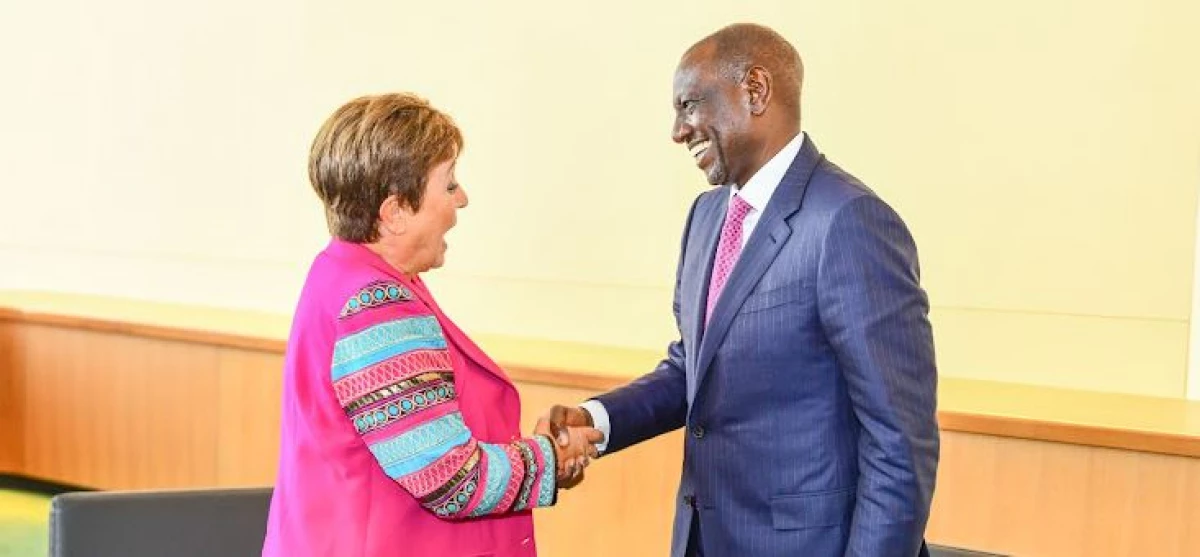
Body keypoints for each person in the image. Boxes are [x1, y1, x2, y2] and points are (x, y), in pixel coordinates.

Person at [545, 24, 939, 557]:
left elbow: (899, 445)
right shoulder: (706, 217)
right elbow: (694, 371)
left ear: (754, 91)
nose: (678, 131)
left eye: (689, 105)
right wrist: (597, 418)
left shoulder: (849, 222)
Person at [262, 93, 601, 557]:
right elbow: (452, 480)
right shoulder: (373, 305)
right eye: (448, 184)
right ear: (395, 212)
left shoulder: (350, 275)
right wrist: (551, 456)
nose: (462, 199)